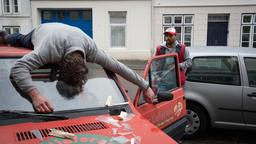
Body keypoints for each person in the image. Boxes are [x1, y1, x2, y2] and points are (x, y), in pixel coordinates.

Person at [0, 23, 155, 113]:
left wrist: (145, 86)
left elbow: (119, 67)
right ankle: (5, 36)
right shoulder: (48, 50)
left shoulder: (91, 50)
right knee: (18, 39)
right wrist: (35, 95)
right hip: (44, 30)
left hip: (71, 33)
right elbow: (18, 67)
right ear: (60, 65)